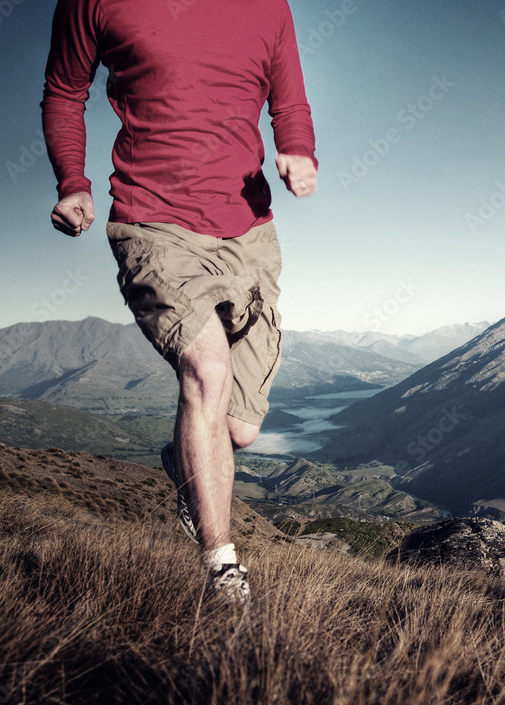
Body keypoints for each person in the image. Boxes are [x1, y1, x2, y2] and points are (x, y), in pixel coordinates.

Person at [41, 0, 317, 603]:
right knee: (206, 371)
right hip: (152, 222)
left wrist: (298, 147)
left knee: (238, 429)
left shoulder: (269, 6)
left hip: (249, 229)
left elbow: (288, 99)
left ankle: (184, 462)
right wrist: (72, 182)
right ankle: (222, 570)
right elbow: (64, 91)